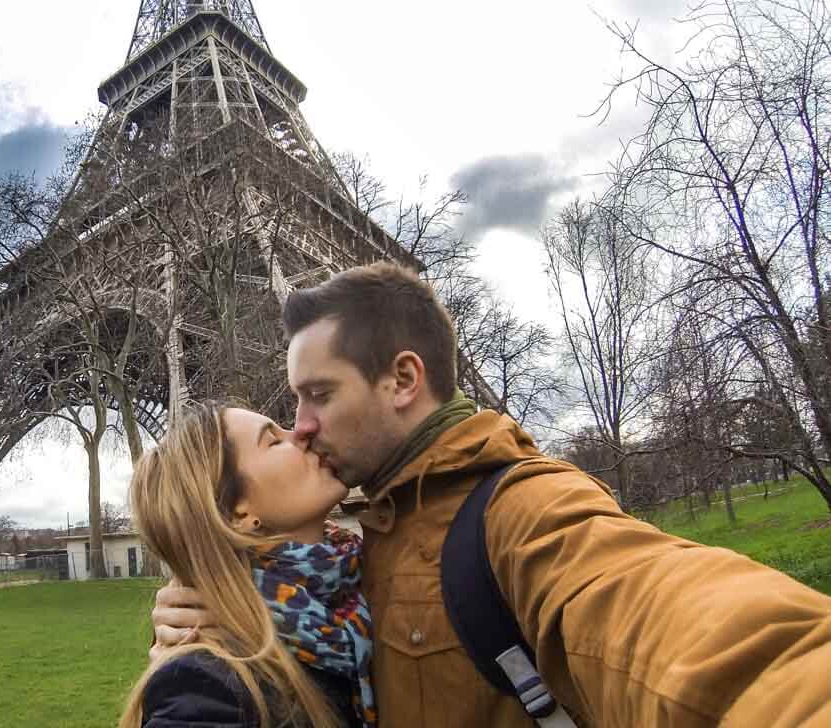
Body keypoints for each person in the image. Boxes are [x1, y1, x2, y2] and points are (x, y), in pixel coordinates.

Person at [152, 261, 831, 727]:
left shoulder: (522, 507)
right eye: (287, 415)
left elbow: (692, 630)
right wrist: (210, 601)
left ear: (401, 380)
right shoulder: (347, 566)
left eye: (318, 396)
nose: (301, 428)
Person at [119, 403, 374, 728]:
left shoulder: (361, 587)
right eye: (273, 440)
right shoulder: (206, 689)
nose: (300, 432)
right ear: (237, 515)